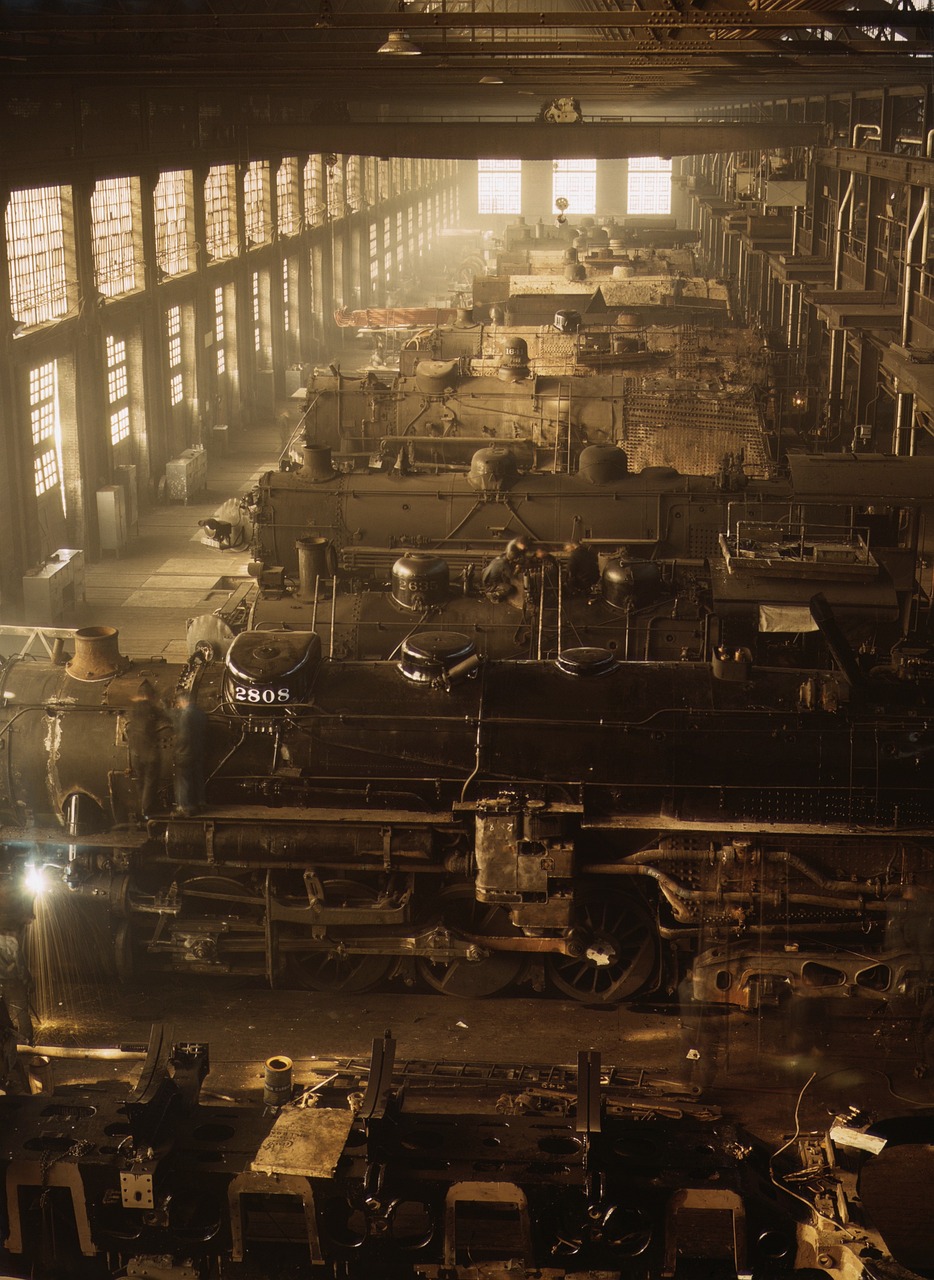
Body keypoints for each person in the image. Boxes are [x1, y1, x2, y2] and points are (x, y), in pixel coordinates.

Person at [0, 870, 35, 1045]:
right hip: (13, 980)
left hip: (1, 981)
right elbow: (20, 966)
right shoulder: (12, 942)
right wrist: (28, 980)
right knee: (21, 1009)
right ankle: (27, 1039)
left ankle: (6, 1037)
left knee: (3, 1011)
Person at [126, 680, 168, 820]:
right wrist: (166, 706)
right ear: (149, 695)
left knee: (140, 781)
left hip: (135, 752)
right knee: (151, 780)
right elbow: (167, 717)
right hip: (148, 752)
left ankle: (143, 809)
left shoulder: (133, 709)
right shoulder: (151, 708)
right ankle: (148, 810)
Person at [172, 689, 208, 818]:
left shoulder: (186, 714)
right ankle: (201, 803)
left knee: (183, 780)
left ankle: (185, 808)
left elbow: (184, 736)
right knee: (197, 778)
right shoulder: (201, 713)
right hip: (199, 751)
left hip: (185, 752)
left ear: (182, 700)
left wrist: (177, 749)